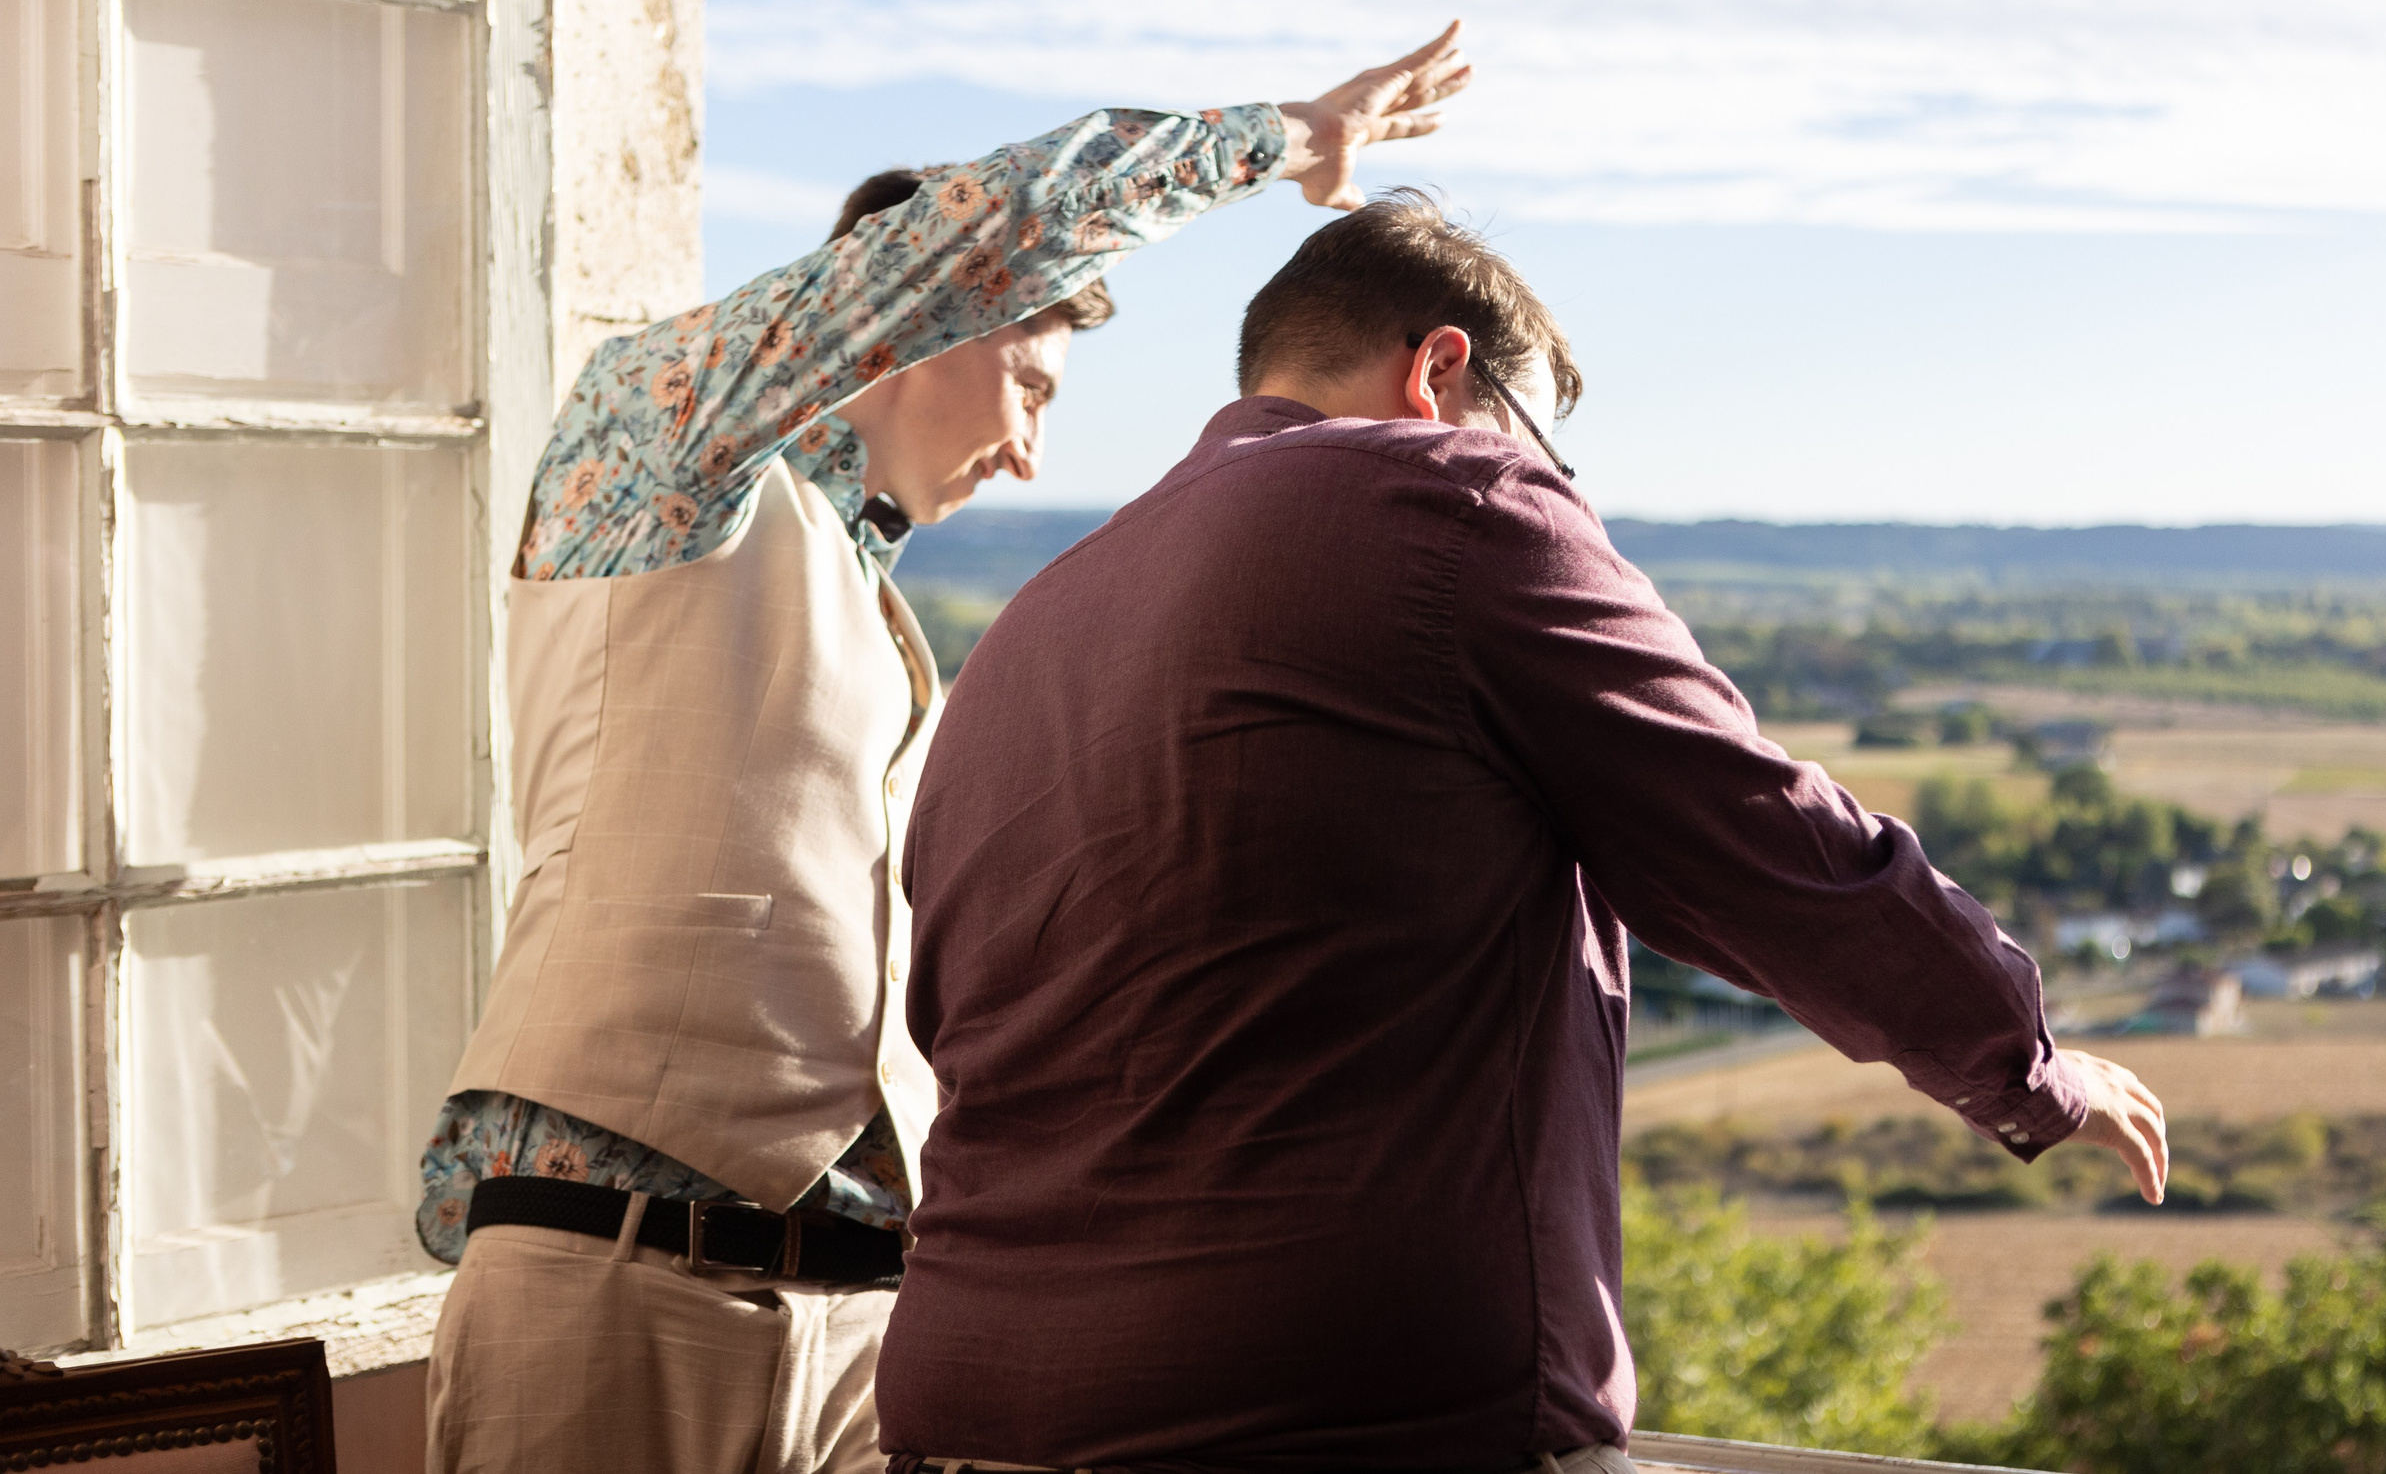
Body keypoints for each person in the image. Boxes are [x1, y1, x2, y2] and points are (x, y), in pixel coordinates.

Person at [883, 192, 2171, 1474]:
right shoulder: (1452, 501)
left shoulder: (1024, 632)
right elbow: (1754, 835)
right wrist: (2030, 1063)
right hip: (1333, 1419)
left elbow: (948, 1022)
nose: (1558, 489)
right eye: (1553, 451)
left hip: (963, 1410)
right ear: (1442, 368)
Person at [414, 26, 1476, 1474]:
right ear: (933, 320)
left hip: (866, 1329)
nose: (1032, 453)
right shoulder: (660, 455)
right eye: (1034, 385)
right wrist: (1285, 136)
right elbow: (991, 232)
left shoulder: (880, 612)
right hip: (617, 1283)